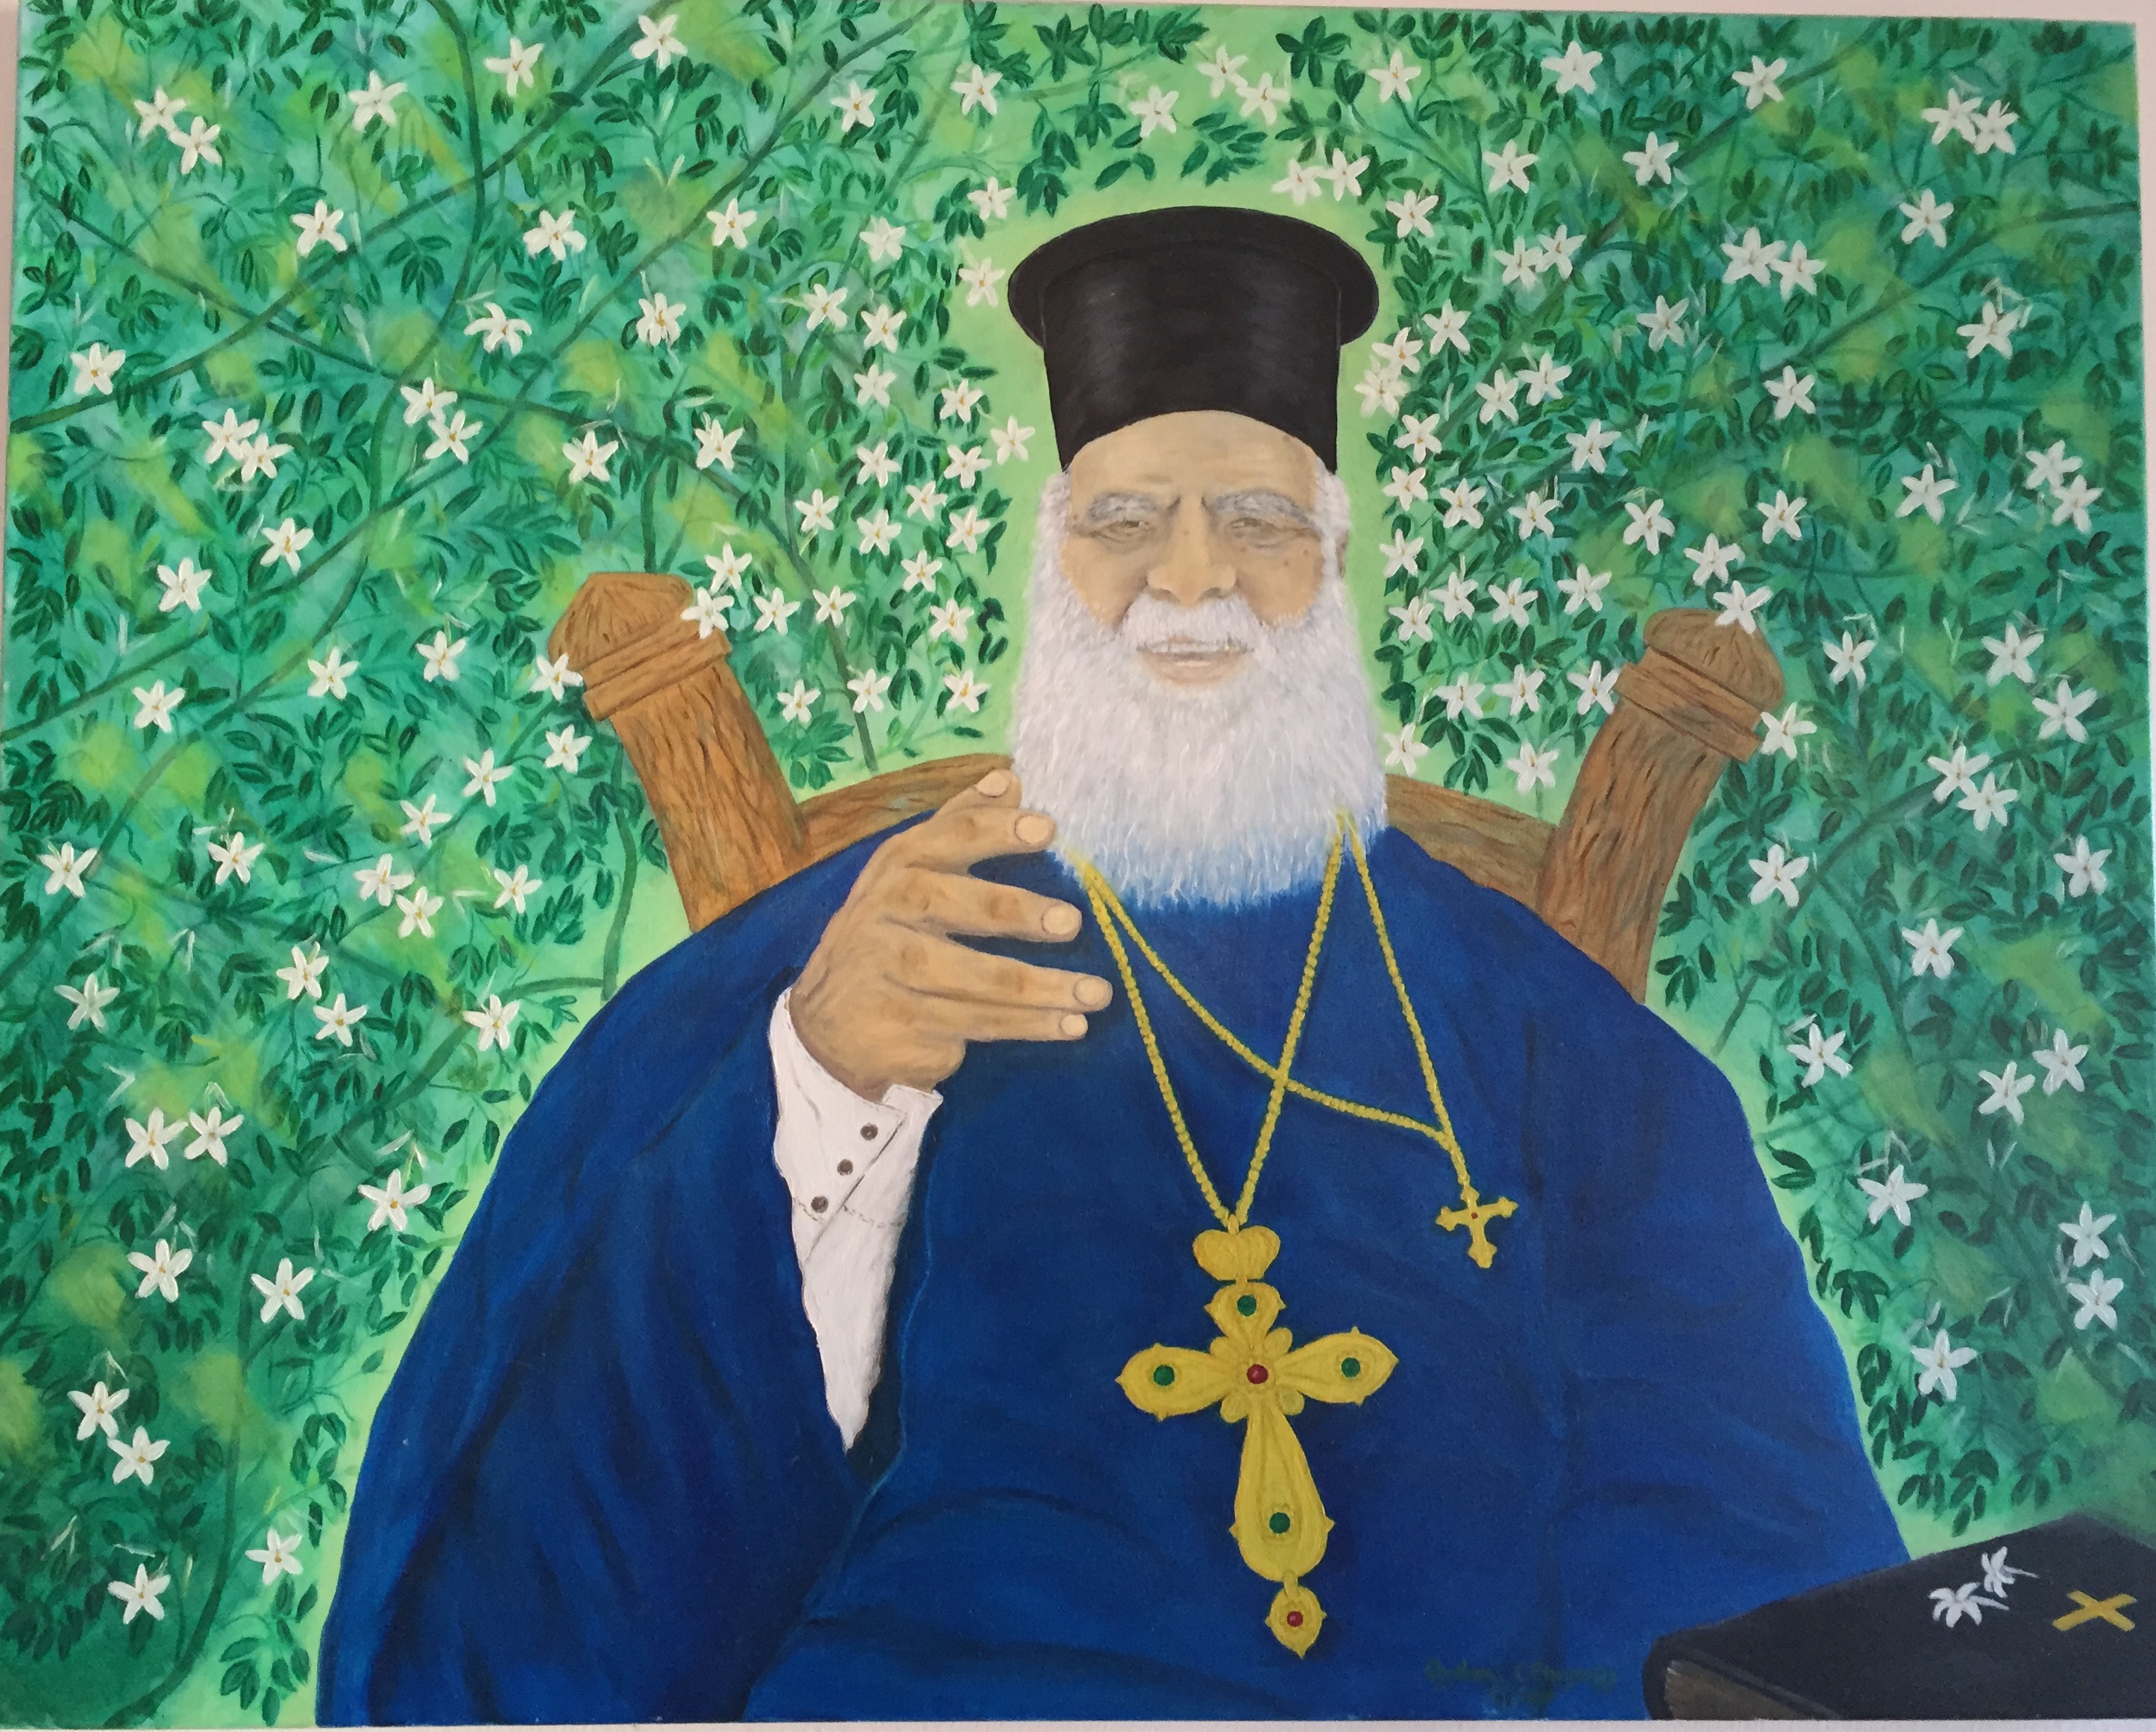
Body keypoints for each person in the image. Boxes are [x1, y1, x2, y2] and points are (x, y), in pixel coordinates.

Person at [318, 207, 1902, 1722]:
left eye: (1262, 523)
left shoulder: (1558, 1047)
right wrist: (817, 1092)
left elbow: (1747, 1581)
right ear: (1051, 564)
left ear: (1337, 567)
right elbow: (519, 1647)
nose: (1192, 578)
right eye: (1125, 522)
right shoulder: (832, 966)